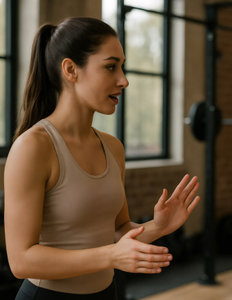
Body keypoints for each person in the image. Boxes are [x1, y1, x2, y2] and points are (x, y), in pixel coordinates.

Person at [4, 17, 200, 299]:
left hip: (106, 292)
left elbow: (119, 232)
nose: (124, 80)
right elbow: (21, 261)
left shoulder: (112, 147)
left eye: (122, 66)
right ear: (71, 70)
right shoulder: (33, 147)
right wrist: (110, 256)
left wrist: (159, 227)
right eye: (110, 67)